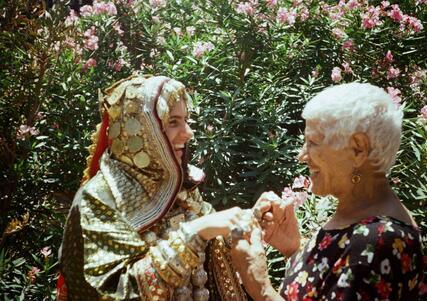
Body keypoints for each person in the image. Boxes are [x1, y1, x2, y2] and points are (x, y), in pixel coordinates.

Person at [57, 75, 248, 301]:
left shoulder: (180, 186)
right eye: (173, 122)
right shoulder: (99, 200)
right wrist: (193, 235)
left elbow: (210, 252)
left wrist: (244, 226)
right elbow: (111, 292)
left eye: (186, 120)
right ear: (139, 131)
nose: (188, 133)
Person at [230, 82, 424, 300]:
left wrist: (261, 287)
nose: (302, 156)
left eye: (312, 142)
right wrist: (294, 250)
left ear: (358, 149)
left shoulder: (379, 240)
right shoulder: (359, 216)